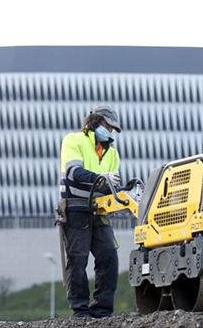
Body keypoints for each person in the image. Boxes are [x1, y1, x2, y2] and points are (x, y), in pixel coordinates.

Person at [57, 105, 122, 318]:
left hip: (99, 210)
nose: (111, 132)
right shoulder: (74, 141)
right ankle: (80, 309)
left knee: (109, 257)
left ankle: (102, 309)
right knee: (78, 258)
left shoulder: (112, 153)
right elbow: (74, 172)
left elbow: (112, 187)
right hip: (76, 207)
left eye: (113, 129)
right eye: (108, 127)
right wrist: (100, 179)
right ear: (95, 122)